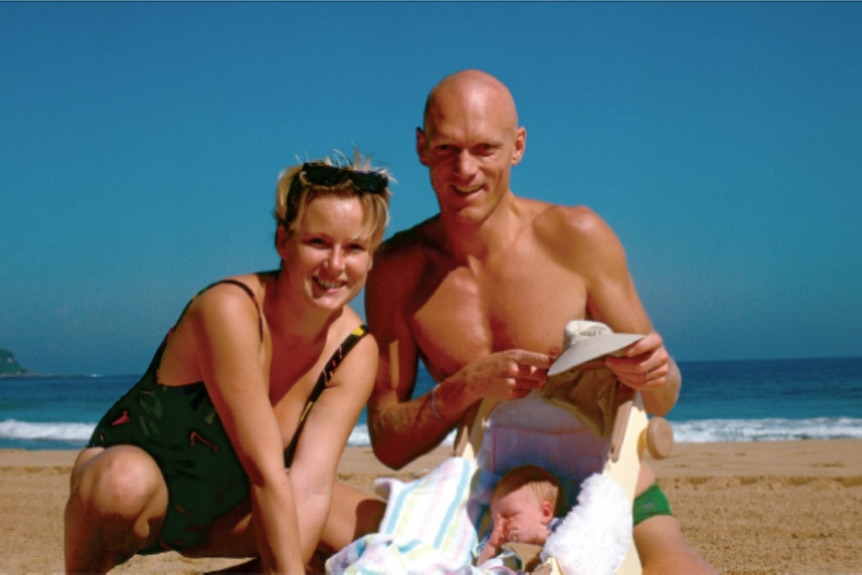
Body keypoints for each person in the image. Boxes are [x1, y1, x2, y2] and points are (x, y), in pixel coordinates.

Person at [363, 69, 716, 574]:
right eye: (446, 149)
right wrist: (469, 384)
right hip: (489, 511)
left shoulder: (576, 238)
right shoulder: (398, 271)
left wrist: (655, 373)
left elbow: (661, 398)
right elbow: (389, 444)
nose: (464, 169)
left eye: (485, 148)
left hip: (614, 494)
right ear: (421, 147)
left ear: (517, 147)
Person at [64, 152, 392, 574]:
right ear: (283, 241)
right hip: (138, 499)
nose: (335, 264)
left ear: (371, 256)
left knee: (382, 532)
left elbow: (308, 488)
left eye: (354, 248)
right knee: (123, 483)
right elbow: (265, 472)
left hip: (229, 513)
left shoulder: (355, 350)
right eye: (318, 242)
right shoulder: (230, 310)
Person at [475, 465, 562, 566]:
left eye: (508, 516)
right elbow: (481, 567)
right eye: (495, 520)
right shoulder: (496, 540)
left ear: (545, 513)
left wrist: (534, 536)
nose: (500, 524)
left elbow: (569, 543)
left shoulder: (557, 527)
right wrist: (492, 546)